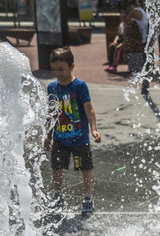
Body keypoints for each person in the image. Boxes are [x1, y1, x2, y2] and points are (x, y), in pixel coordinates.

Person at [45, 46, 102, 218]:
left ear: (72, 66)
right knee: (56, 168)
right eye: (54, 69)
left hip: (79, 138)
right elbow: (51, 113)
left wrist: (94, 129)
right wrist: (47, 135)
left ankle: (88, 198)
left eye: (61, 69)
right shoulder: (51, 88)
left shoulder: (80, 86)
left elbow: (89, 109)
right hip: (60, 138)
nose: (58, 73)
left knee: (86, 168)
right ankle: (57, 195)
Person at [122, 0, 150, 94]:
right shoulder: (140, 10)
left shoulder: (135, 11)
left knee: (141, 61)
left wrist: (125, 18)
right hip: (144, 38)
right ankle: (143, 79)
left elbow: (127, 22)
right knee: (143, 60)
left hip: (141, 38)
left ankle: (143, 81)